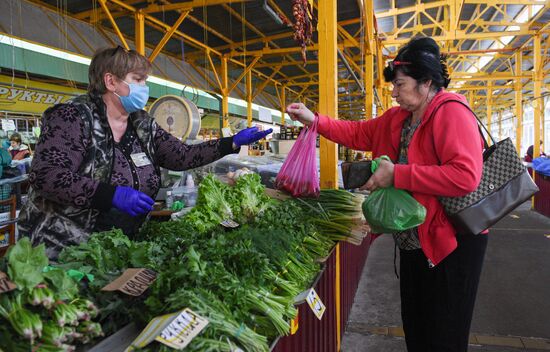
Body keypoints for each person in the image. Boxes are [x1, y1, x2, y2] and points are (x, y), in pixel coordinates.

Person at [287, 37, 486, 352]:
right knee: (417, 327)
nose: (394, 92)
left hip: (450, 243)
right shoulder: (399, 118)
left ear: (426, 82)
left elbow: (466, 176)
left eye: (400, 84)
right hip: (412, 239)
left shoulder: (451, 112)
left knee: (443, 333)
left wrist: (398, 173)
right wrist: (314, 121)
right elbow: (358, 132)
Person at [19, 46, 272, 259]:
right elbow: (47, 175)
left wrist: (231, 143)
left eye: (145, 80)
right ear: (111, 82)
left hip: (115, 248)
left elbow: (181, 156)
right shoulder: (73, 118)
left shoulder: (142, 124)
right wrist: (111, 195)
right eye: (138, 80)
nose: (144, 87)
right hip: (61, 249)